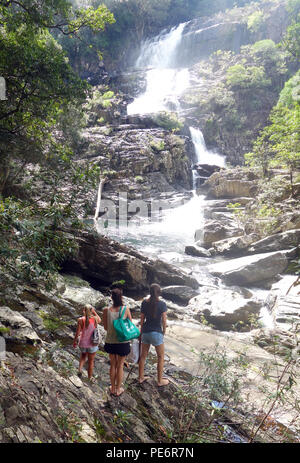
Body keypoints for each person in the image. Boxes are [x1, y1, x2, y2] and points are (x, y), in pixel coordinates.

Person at [102, 288, 132, 396]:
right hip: (123, 342)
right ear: (121, 297)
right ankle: (118, 389)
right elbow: (130, 325)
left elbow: (105, 327)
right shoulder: (126, 309)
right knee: (120, 366)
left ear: (111, 298)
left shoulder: (106, 310)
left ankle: (113, 388)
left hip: (110, 341)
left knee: (113, 365)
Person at [138, 283, 169, 386]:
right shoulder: (162, 304)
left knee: (143, 356)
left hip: (145, 332)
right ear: (159, 292)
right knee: (160, 357)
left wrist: (140, 332)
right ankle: (160, 381)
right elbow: (164, 320)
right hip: (156, 333)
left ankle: (141, 377)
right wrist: (164, 331)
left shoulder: (144, 303)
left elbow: (142, 319)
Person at [73, 304, 101, 382]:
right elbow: (100, 319)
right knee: (91, 361)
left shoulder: (80, 319)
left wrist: (75, 341)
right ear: (91, 310)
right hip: (92, 343)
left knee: (83, 356)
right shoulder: (95, 319)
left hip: (82, 343)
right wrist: (94, 312)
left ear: (84, 310)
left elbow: (78, 332)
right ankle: (89, 377)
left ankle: (79, 370)